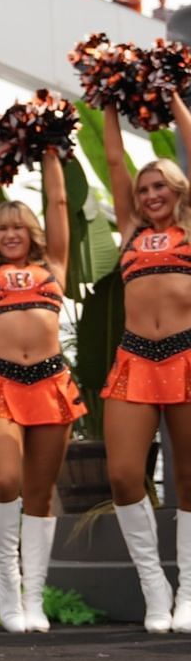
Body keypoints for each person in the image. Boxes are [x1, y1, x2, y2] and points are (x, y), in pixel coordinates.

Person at [0, 145, 81, 633]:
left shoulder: (55, 262)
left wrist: (50, 148)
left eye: (18, 226)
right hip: (0, 384)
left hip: (50, 382)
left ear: (31, 233)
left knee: (39, 493)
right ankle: (7, 586)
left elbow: (58, 204)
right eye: (2, 227)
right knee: (6, 482)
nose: (10, 233)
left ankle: (35, 596)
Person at [96, 98, 191, 632]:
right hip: (135, 357)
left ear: (178, 189)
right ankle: (155, 589)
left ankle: (189, 594)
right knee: (124, 474)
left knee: (190, 477)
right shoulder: (131, 228)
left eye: (161, 186)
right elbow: (113, 161)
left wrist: (174, 96)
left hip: (186, 353)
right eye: (145, 188)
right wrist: (109, 102)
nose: (151, 194)